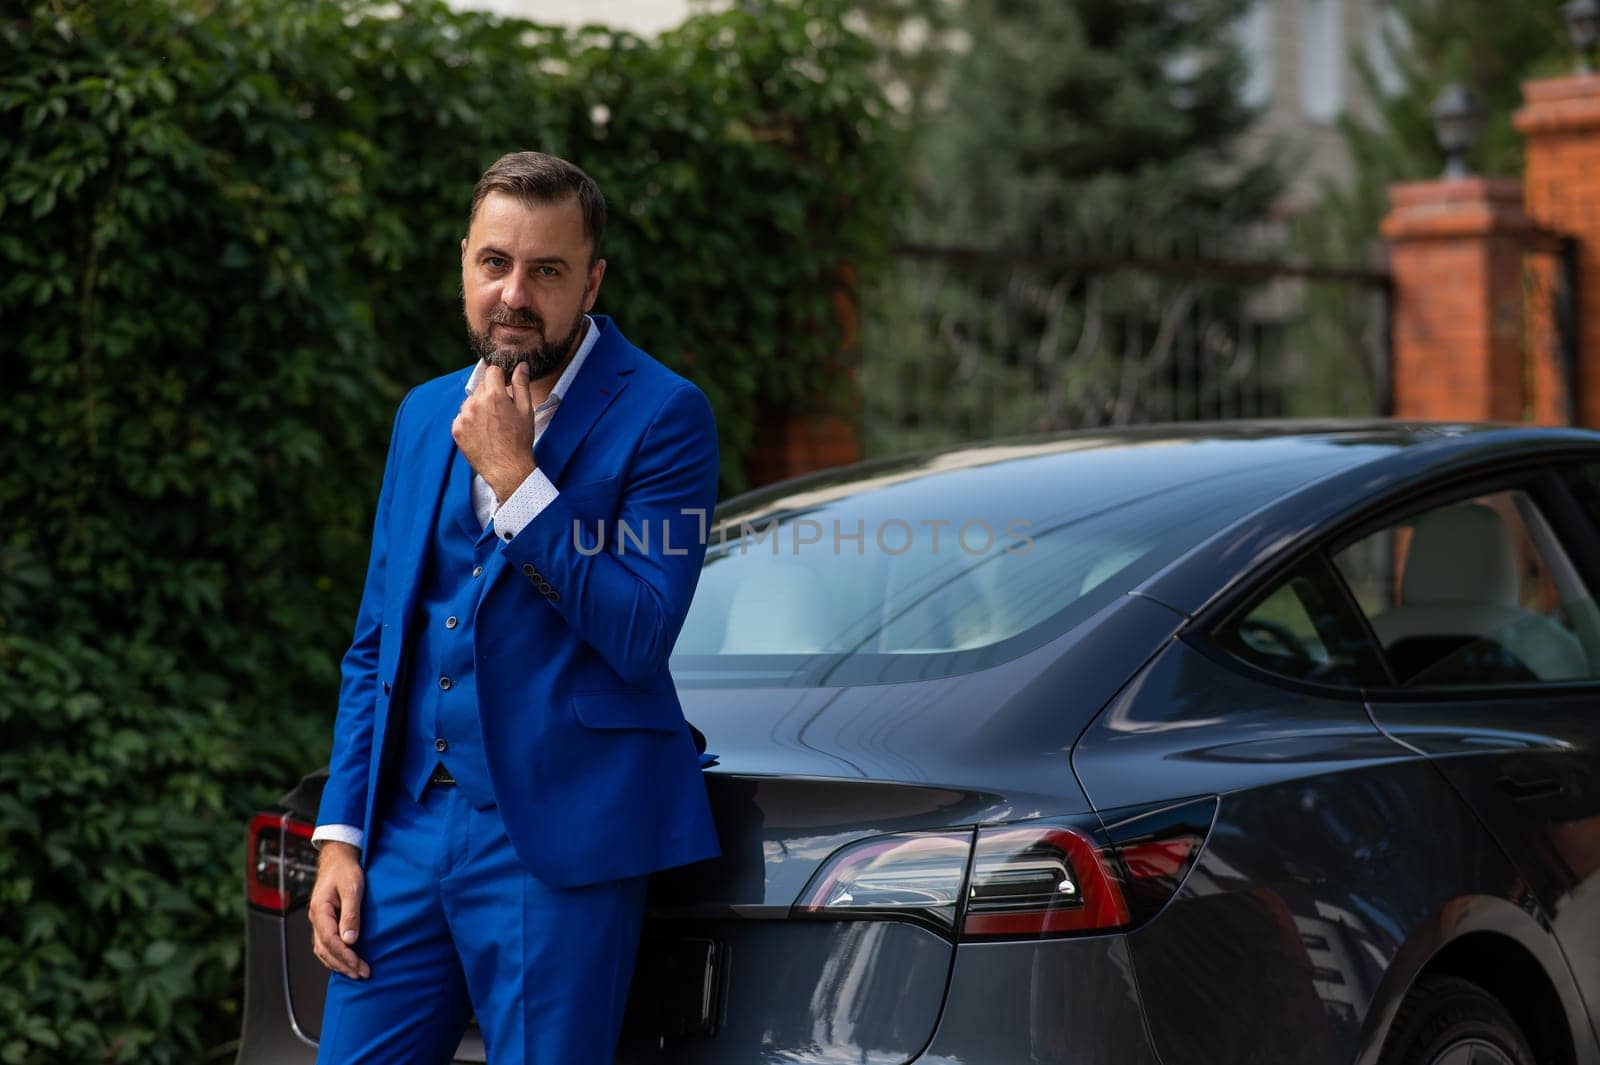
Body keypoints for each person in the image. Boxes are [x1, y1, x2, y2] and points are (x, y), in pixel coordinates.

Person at [307, 151, 721, 1063]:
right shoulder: (423, 414)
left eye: (547, 271)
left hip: (560, 840)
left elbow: (642, 633)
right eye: (495, 263)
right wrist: (341, 835)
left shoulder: (665, 415)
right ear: (464, 261)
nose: (514, 294)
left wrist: (517, 478)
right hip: (405, 834)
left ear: (592, 280)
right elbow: (378, 643)